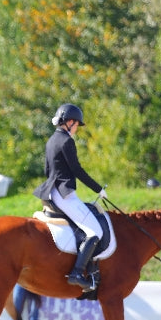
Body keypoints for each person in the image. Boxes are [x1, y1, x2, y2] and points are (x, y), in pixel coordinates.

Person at [32, 104, 107, 291]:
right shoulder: (66, 142)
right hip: (65, 195)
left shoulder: (51, 141)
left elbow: (47, 170)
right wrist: (98, 189)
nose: (76, 130)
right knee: (95, 232)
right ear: (70, 122)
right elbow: (77, 170)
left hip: (52, 192)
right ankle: (77, 272)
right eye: (76, 125)